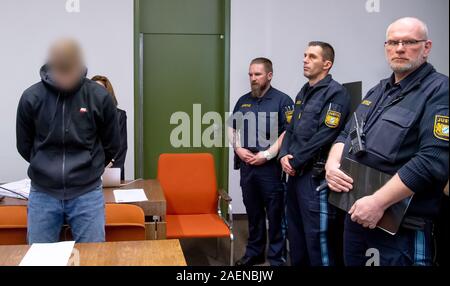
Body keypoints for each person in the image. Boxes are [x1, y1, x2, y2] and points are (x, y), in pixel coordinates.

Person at [325, 17, 449, 266]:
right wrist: (331, 165)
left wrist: (378, 202)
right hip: (356, 213)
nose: (400, 48)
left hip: (400, 226)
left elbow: (433, 160)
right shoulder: (377, 91)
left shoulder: (439, 90)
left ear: (426, 47)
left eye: (409, 42)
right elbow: (345, 134)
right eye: (393, 42)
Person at [16, 39, 120, 244]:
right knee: (40, 259)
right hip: (43, 192)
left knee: (93, 259)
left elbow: (111, 144)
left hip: (87, 193)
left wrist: (90, 166)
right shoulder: (31, 97)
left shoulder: (98, 97)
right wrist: (44, 166)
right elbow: (24, 145)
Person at [279, 42, 351, 266]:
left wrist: (296, 159)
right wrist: (283, 154)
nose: (305, 60)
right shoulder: (303, 91)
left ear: (326, 64)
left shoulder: (336, 93)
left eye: (312, 56)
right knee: (296, 233)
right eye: (304, 55)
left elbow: (326, 135)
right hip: (295, 175)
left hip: (314, 177)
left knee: (317, 239)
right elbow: (290, 129)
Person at [228, 58, 294, 266]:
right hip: (247, 167)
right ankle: (254, 253)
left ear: (269, 75)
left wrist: (267, 155)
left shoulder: (283, 101)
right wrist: (238, 148)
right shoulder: (243, 100)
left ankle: (276, 257)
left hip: (270, 169)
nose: (253, 78)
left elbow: (288, 131)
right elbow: (231, 127)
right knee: (253, 212)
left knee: (275, 215)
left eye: (257, 74)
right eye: (250, 74)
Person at [92, 75, 128, 180]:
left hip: (111, 170)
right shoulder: (82, 115)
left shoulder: (119, 115)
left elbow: (121, 147)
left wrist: (108, 164)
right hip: (88, 174)